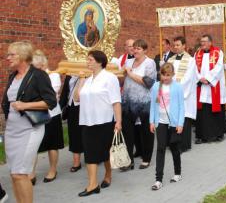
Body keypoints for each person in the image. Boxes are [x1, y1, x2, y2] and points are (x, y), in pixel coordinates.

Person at [2, 41, 57, 203]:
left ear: (24, 56)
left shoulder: (39, 75)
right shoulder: (13, 76)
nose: (8, 58)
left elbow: (50, 101)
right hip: (12, 131)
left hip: (30, 130)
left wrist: (25, 105)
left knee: (21, 173)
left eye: (12, 54)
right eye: (8, 54)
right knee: (14, 174)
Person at [74, 50, 122, 197]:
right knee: (89, 153)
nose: (87, 62)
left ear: (100, 62)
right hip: (87, 121)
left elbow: (116, 101)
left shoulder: (110, 78)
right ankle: (93, 184)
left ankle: (108, 174)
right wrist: (81, 79)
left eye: (90, 60)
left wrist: (118, 121)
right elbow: (76, 98)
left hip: (105, 120)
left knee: (105, 152)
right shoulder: (88, 80)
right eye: (87, 60)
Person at [29, 50, 64, 184]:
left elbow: (49, 95)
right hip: (36, 114)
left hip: (51, 114)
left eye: (35, 67)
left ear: (43, 65)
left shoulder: (53, 76)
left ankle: (53, 169)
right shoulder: (32, 77)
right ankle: (31, 172)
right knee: (33, 144)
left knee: (52, 144)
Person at [122, 39, 157, 170]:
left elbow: (148, 82)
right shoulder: (128, 61)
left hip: (144, 102)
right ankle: (128, 161)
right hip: (127, 102)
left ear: (145, 50)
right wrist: (123, 73)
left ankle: (146, 158)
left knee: (146, 131)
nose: (135, 50)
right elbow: (122, 79)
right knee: (128, 132)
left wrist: (130, 73)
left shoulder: (150, 63)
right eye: (134, 48)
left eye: (138, 48)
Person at [149, 63, 185, 190]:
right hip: (160, 122)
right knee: (160, 148)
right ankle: (158, 179)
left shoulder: (178, 87)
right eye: (163, 75)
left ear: (173, 75)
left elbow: (181, 106)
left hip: (173, 123)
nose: (165, 77)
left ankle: (177, 173)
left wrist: (180, 123)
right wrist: (152, 121)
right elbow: (153, 105)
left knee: (174, 147)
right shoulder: (155, 86)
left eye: (168, 75)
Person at [194, 35, 226, 143]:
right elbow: (194, 68)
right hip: (202, 86)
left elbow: (218, 68)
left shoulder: (218, 52)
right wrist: (200, 78)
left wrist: (208, 79)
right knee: (202, 112)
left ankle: (219, 134)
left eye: (204, 41)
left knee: (216, 111)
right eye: (201, 41)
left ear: (210, 42)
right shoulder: (197, 53)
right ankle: (202, 135)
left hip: (214, 86)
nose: (202, 43)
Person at [167, 36, 198, 152]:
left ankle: (183, 145)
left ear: (184, 45)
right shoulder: (170, 60)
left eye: (178, 45)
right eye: (174, 45)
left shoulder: (190, 60)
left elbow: (188, 78)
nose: (175, 47)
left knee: (183, 119)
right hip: (171, 93)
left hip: (184, 94)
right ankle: (173, 143)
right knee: (173, 119)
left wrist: (176, 89)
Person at [59, 75, 83, 173]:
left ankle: (94, 155)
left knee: (90, 132)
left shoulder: (90, 72)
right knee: (74, 134)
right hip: (72, 107)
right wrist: (59, 108)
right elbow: (65, 92)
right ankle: (76, 162)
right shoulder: (70, 74)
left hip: (87, 106)